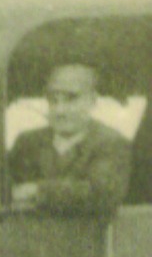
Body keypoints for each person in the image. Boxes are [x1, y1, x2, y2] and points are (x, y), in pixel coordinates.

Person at [7, 62, 132, 218]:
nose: (60, 110)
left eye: (70, 100)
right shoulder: (27, 142)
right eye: (53, 101)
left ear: (92, 101)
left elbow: (101, 193)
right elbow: (2, 185)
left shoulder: (112, 143)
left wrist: (36, 190)